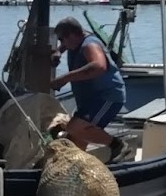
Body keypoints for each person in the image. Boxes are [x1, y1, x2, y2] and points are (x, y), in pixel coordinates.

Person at [50, 17, 129, 162]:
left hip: (106, 97)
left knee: (75, 128)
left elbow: (99, 66)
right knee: (75, 142)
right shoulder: (77, 39)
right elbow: (67, 44)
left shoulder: (89, 45)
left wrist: (64, 78)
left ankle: (117, 145)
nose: (62, 43)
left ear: (71, 36)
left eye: (62, 40)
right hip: (89, 99)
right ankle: (78, 168)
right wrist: (59, 51)